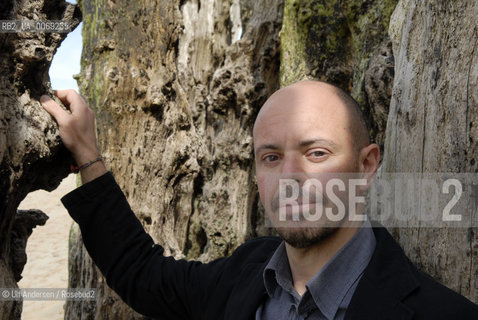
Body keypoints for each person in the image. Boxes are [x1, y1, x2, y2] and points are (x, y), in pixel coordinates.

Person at [40, 81, 478, 319]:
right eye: (271, 157)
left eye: (316, 153)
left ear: (366, 166)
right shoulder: (242, 275)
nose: (290, 178)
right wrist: (87, 155)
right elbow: (143, 274)